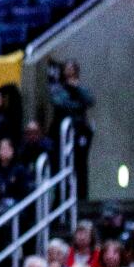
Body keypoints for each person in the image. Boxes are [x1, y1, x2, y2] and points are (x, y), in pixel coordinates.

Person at [50, 59, 94, 200]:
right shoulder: (57, 89)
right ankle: (63, 198)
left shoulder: (81, 89)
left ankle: (81, 198)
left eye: (72, 68)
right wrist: (77, 104)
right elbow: (60, 103)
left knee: (81, 166)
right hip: (62, 135)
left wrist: (76, 89)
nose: (69, 71)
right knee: (61, 166)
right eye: (67, 68)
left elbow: (90, 100)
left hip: (80, 132)